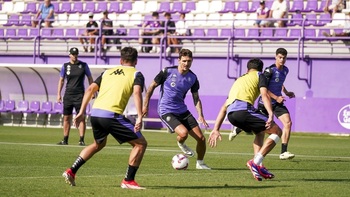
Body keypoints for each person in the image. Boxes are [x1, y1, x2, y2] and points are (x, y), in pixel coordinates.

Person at [62, 47, 148, 189]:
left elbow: (90, 89)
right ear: (136, 61)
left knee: (98, 144)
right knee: (140, 144)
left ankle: (71, 171)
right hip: (111, 115)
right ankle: (128, 180)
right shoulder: (136, 74)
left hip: (95, 114)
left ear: (120, 60)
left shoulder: (107, 72)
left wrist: (81, 112)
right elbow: (137, 92)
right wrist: (139, 116)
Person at [208, 58, 282, 181]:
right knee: (277, 131)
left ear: (247, 70)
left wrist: (216, 129)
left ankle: (258, 167)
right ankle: (255, 162)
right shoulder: (260, 75)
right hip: (244, 110)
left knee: (259, 132)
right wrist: (270, 114)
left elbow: (223, 107)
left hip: (231, 115)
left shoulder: (238, 81)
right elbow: (264, 95)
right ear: (260, 69)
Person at [142, 49, 211, 170]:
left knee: (201, 138)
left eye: (189, 61)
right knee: (183, 133)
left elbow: (196, 98)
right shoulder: (167, 72)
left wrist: (200, 115)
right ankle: (181, 143)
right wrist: (145, 105)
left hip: (182, 110)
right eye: (184, 61)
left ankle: (200, 163)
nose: (186, 63)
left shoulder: (193, 78)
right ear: (179, 60)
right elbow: (151, 86)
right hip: (166, 110)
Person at [229, 48, 295, 160]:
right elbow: (264, 89)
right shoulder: (269, 70)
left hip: (278, 103)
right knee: (260, 131)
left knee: (288, 123)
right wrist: (276, 97)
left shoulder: (285, 70)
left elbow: (280, 83)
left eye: (284, 58)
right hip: (266, 103)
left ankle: (283, 151)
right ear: (275, 57)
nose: (282, 60)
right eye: (280, 57)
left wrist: (286, 92)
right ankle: (239, 130)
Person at [57, 47, 94, 146]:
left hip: (80, 95)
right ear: (69, 55)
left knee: (81, 117)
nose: (75, 56)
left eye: (76, 54)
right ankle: (65, 139)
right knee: (66, 117)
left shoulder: (83, 65)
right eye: (73, 54)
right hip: (68, 95)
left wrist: (93, 91)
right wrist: (58, 94)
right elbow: (61, 80)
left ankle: (81, 139)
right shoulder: (65, 66)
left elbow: (90, 78)